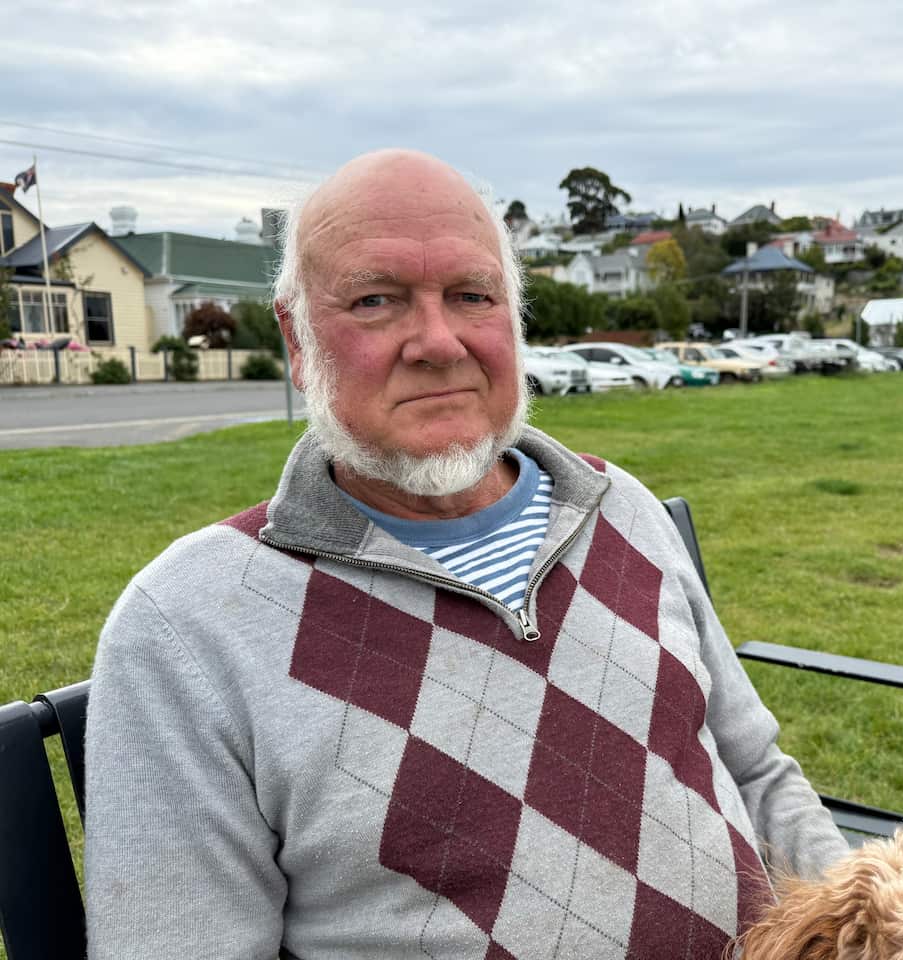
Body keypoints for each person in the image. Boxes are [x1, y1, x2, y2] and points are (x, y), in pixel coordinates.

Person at [84, 149, 847, 959]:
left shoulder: (620, 506)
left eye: (471, 296)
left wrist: (874, 930)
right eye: (376, 300)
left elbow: (758, 775)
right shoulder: (190, 626)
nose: (438, 341)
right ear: (298, 341)